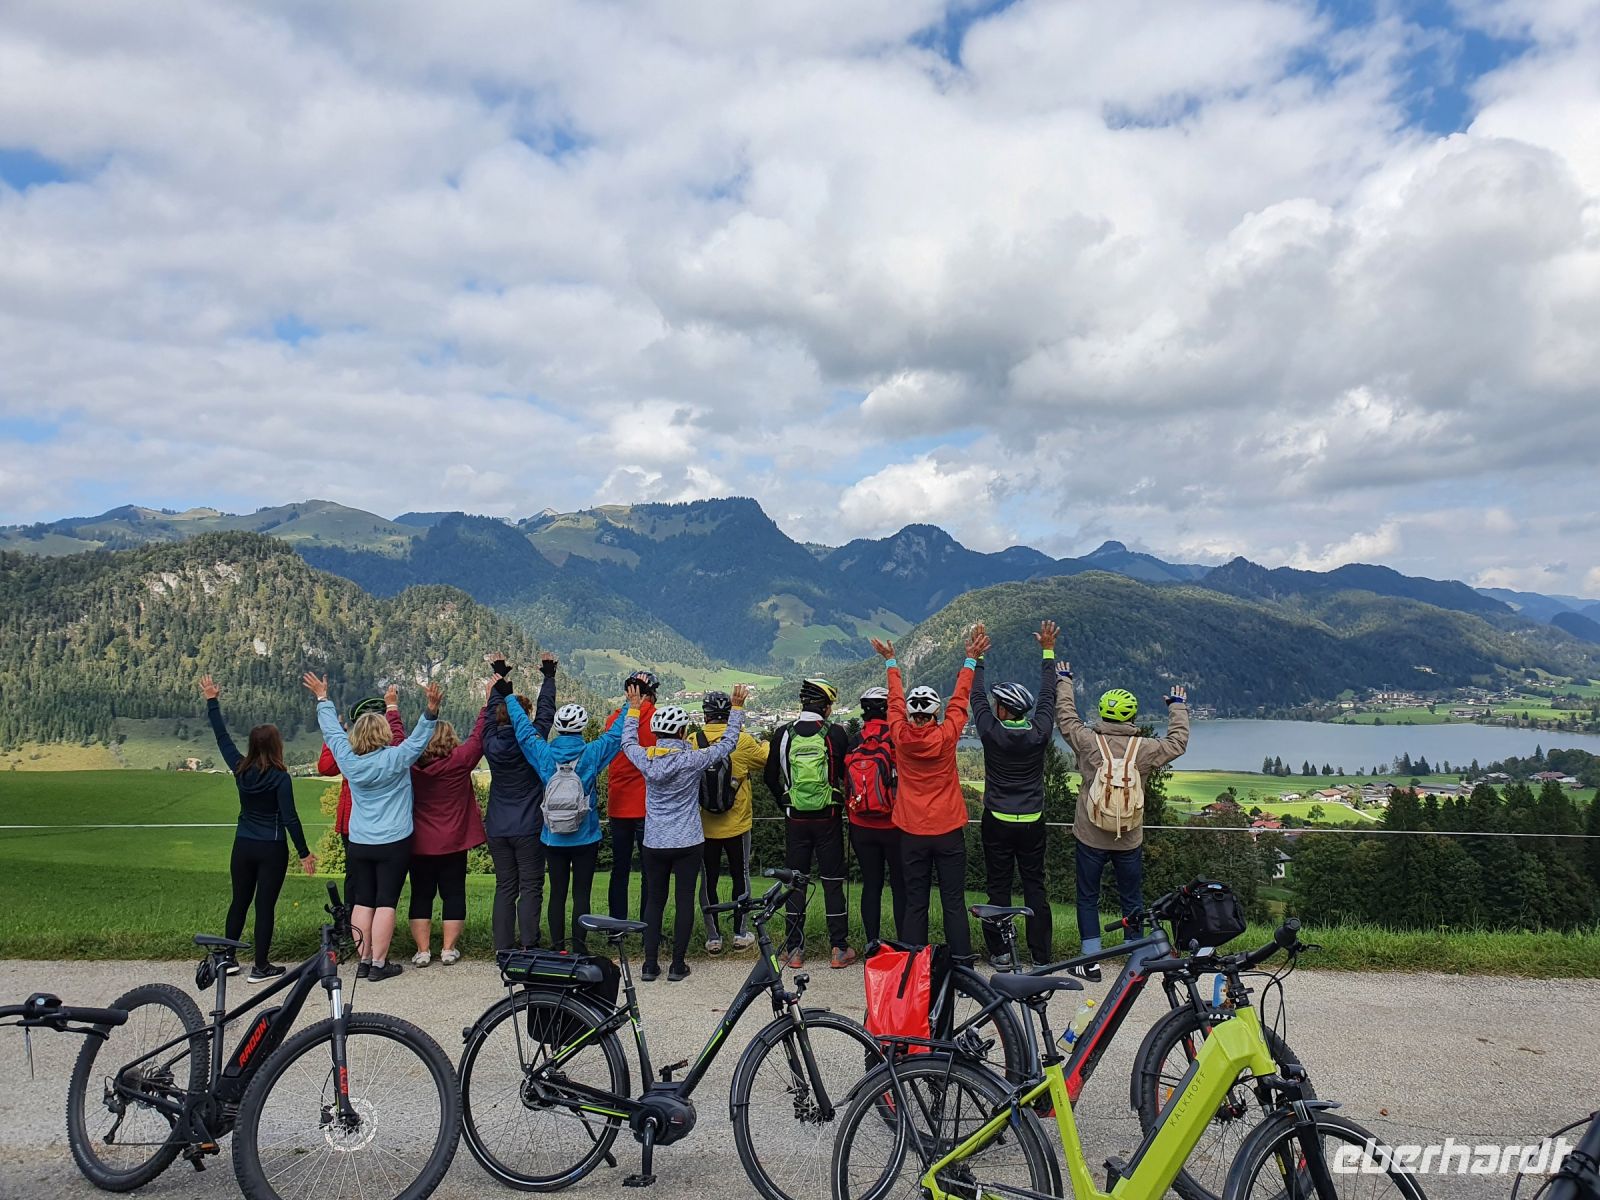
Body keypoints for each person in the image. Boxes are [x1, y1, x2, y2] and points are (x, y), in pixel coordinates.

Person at [1056, 664, 1190, 981]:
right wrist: (1177, 706)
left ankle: (1090, 961)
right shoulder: (1144, 749)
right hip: (1128, 837)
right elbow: (1177, 743)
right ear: (1132, 717)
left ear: (1103, 713)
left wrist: (1064, 682)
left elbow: (1066, 718)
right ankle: (1136, 956)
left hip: (1090, 834)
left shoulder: (1087, 741)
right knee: (1131, 897)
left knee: (1088, 896)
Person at [306, 670, 440, 982]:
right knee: (386, 902)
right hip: (394, 841)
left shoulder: (349, 761)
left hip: (360, 840)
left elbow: (332, 733)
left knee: (363, 901)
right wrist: (430, 711)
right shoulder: (397, 758)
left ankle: (364, 959)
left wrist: (323, 699)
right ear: (382, 732)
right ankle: (380, 964)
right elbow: (420, 738)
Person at [870, 625, 989, 963]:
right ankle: (963, 965)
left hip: (911, 831)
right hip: (948, 829)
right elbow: (961, 698)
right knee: (953, 900)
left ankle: (913, 966)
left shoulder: (899, 734)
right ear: (935, 714)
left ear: (910, 715)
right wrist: (970, 658)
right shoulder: (947, 735)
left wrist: (891, 663)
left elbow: (893, 702)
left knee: (916, 901)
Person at [620, 681, 750, 981]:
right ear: (682, 733)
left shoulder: (646, 759)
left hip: (654, 841)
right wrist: (737, 709)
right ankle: (678, 965)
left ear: (656, 733)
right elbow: (727, 744)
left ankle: (650, 965)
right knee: (684, 900)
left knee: (654, 901)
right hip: (689, 840)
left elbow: (627, 742)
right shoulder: (692, 758)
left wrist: (633, 709)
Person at [201, 676, 316, 982]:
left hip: (243, 845)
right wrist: (304, 853)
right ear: (277, 746)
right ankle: (261, 966)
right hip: (271, 847)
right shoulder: (280, 778)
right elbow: (290, 818)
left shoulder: (240, 769)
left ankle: (228, 958)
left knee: (239, 900)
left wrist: (212, 701)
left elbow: (222, 738)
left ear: (252, 745)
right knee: (264, 905)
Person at [500, 681, 624, 955]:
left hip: (552, 837)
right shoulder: (591, 753)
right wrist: (631, 706)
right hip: (586, 836)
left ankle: (558, 951)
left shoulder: (544, 753)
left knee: (557, 894)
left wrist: (509, 696)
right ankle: (579, 949)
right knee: (581, 895)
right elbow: (616, 736)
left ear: (557, 727)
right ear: (581, 728)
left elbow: (523, 732)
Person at [971, 620, 1062, 967]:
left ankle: (1001, 955)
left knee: (998, 887)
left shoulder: (991, 732)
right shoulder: (1039, 731)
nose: (993, 706)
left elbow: (975, 696)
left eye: (998, 704)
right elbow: (1049, 695)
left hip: (997, 819)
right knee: (1035, 888)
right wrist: (1048, 651)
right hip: (1032, 821)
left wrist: (977, 660)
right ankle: (1041, 957)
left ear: (1003, 710)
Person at [763, 678, 855, 969]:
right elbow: (845, 775)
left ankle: (794, 950)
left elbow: (769, 778)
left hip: (796, 819)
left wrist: (786, 802)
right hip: (828, 817)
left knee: (795, 883)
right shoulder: (836, 733)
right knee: (831, 883)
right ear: (826, 706)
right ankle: (839, 949)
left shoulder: (782, 734)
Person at [407, 686, 490, 967]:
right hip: (454, 841)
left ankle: (422, 950)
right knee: (453, 893)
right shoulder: (459, 762)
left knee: (421, 894)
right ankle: (448, 949)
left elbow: (397, 738)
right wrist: (487, 703)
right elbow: (479, 737)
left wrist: (393, 710)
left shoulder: (410, 766)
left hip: (419, 842)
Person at [481, 654, 558, 951]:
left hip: (498, 826)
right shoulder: (532, 740)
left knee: (505, 887)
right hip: (528, 826)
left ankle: (503, 945)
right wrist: (548, 678)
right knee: (530, 886)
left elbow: (489, 715)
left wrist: (499, 681)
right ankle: (529, 944)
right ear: (523, 716)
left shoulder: (490, 742)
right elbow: (547, 713)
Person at [697, 690, 771, 954]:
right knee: (741, 876)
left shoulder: (696, 741)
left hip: (705, 826)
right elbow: (764, 758)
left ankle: (713, 937)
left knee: (709, 881)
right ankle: (740, 933)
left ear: (705, 715)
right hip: (737, 824)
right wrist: (764, 742)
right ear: (730, 714)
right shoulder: (742, 740)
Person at [845, 686, 903, 951]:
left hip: (860, 825)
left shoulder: (853, 740)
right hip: (894, 823)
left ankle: (872, 944)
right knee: (900, 885)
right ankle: (904, 945)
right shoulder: (896, 738)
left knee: (871, 885)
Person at [601, 670, 658, 922]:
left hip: (619, 804)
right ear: (650, 694)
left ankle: (617, 925)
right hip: (647, 805)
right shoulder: (656, 718)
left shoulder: (613, 720)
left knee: (619, 869)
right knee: (650, 871)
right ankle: (647, 925)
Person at [318, 689, 404, 848]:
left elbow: (326, 767)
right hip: (388, 824)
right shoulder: (393, 751)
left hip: (353, 820)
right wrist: (392, 709)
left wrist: (338, 735)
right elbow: (397, 741)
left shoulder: (349, 749)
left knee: (354, 870)